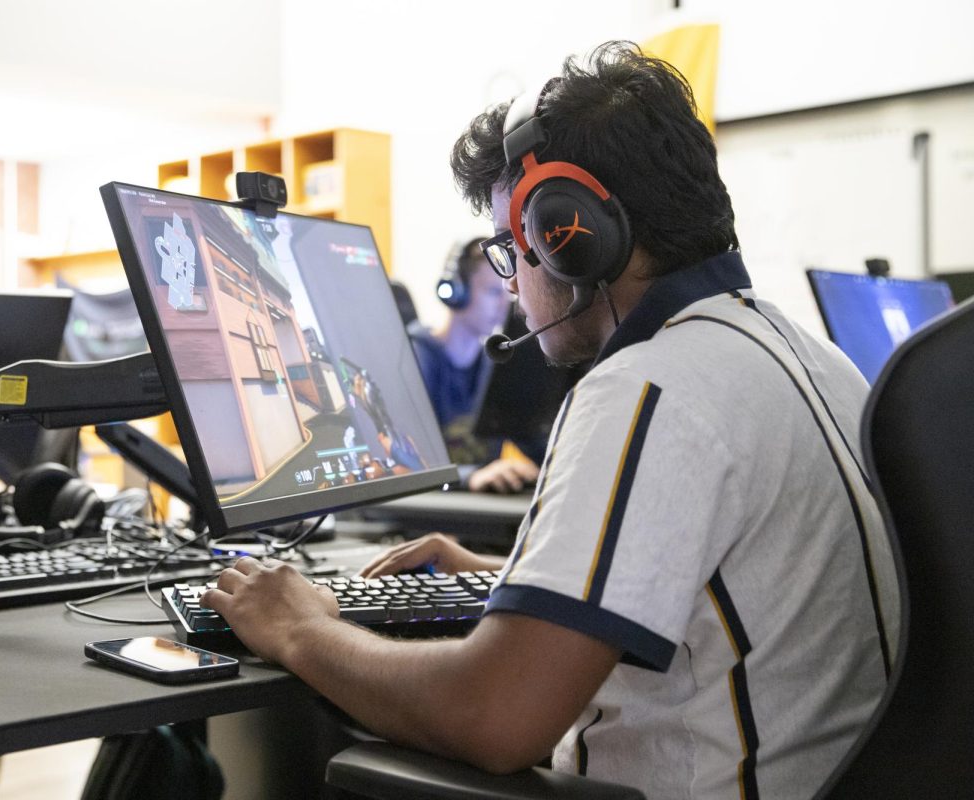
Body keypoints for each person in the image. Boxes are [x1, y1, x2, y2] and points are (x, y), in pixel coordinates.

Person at [199, 41, 900, 799]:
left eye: (511, 247)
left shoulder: (648, 387)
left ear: (569, 231)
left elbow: (493, 717)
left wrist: (301, 627)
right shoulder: (808, 355)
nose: (510, 286)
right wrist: (517, 585)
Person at [409, 239, 540, 492]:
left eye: (507, 295)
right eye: (492, 293)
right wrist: (471, 477)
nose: (504, 306)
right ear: (457, 291)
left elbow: (530, 439)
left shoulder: (496, 359)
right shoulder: (418, 357)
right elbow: (409, 461)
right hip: (433, 504)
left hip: (480, 503)